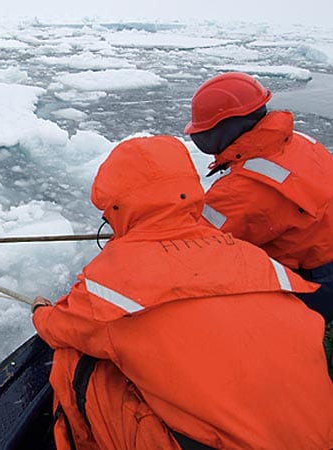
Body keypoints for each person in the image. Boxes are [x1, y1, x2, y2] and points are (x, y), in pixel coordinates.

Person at [32, 135, 333, 449]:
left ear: (116, 207)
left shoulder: (110, 285)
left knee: (72, 357)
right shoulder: (253, 258)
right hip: (318, 437)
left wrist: (40, 311)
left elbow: (60, 328)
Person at [184, 71, 333, 323]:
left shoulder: (243, 189)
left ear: (226, 128)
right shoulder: (295, 141)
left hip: (317, 284)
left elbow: (192, 245)